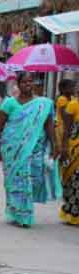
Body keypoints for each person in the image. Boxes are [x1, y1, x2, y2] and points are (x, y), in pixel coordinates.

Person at [0, 73, 61, 227]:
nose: (28, 84)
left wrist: (55, 144)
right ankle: (19, 213)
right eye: (24, 82)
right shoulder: (9, 103)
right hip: (12, 148)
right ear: (18, 84)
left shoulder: (43, 104)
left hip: (34, 149)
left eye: (30, 81)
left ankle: (21, 211)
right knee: (15, 180)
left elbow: (49, 125)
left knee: (30, 179)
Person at [57, 79, 79, 226]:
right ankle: (71, 212)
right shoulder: (72, 104)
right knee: (74, 181)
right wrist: (64, 148)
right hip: (74, 148)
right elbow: (67, 128)